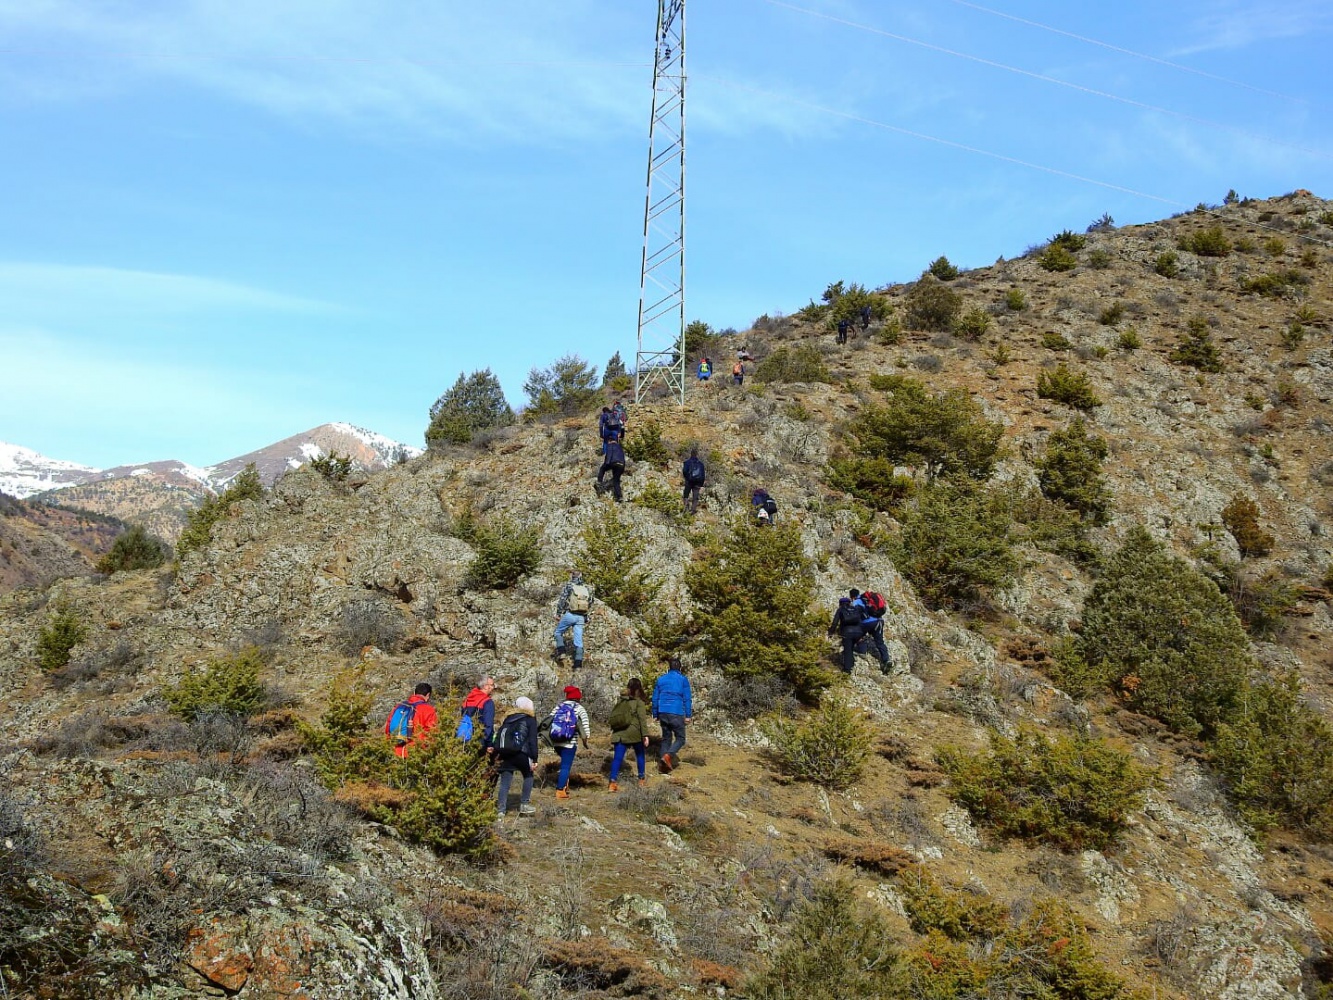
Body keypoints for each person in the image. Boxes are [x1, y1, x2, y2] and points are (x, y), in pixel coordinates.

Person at [495, 696, 539, 817]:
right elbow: (532, 740)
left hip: (505, 753)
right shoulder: (530, 719)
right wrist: (535, 758)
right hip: (521, 753)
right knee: (528, 775)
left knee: (505, 782)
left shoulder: (508, 718)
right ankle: (524, 804)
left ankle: (501, 810)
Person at [607, 678, 651, 791]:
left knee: (617, 758)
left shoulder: (620, 701)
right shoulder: (639, 702)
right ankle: (641, 779)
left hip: (619, 733)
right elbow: (642, 720)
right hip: (634, 733)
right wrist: (645, 735)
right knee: (640, 755)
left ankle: (612, 782)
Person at [550, 685, 592, 799]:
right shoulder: (579, 709)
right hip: (569, 743)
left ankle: (564, 785)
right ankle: (560, 790)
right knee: (565, 766)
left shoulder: (559, 707)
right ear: (578, 697)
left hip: (556, 742)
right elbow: (585, 727)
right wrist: (586, 740)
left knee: (563, 765)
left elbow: (549, 720)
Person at [652, 657, 692, 772]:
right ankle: (668, 756)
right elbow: (687, 699)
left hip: (663, 711)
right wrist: (688, 715)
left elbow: (655, 698)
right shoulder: (683, 680)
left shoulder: (661, 679)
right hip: (676, 712)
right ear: (680, 667)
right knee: (680, 738)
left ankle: (662, 766)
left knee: (666, 739)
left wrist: (655, 713)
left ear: (669, 667)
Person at [384, 682, 438, 757]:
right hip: (414, 752)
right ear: (428, 695)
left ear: (414, 692)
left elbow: (388, 728)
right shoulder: (428, 709)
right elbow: (431, 733)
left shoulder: (399, 706)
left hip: (394, 751)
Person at [553, 571, 594, 670]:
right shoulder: (586, 588)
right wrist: (586, 616)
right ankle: (578, 666)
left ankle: (562, 652)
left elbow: (562, 600)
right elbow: (590, 602)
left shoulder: (569, 585)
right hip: (581, 617)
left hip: (570, 615)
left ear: (572, 576)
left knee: (558, 633)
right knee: (578, 642)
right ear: (581, 576)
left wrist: (558, 613)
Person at [850, 589, 892, 673]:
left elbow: (854, 617)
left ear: (852, 596)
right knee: (880, 642)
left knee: (858, 634)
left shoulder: (856, 602)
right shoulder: (867, 599)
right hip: (879, 621)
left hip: (867, 623)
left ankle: (862, 651)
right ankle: (886, 660)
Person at [828, 596, 867, 675]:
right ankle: (861, 654)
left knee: (848, 650)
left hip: (847, 632)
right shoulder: (855, 609)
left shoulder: (841, 610)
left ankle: (847, 670)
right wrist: (862, 633)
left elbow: (835, 622)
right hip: (858, 631)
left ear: (840, 604)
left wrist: (831, 632)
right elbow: (861, 621)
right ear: (849, 603)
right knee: (852, 647)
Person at [457, 675, 497, 748]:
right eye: (492, 685)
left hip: (465, 739)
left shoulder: (468, 699)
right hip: (479, 742)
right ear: (485, 686)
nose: (493, 687)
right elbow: (488, 725)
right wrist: (489, 744)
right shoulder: (487, 702)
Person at [597, 432, 626, 502]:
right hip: (621, 465)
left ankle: (599, 482)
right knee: (616, 481)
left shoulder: (610, 445)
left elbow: (609, 455)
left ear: (609, 441)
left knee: (602, 468)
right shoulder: (619, 447)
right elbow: (623, 458)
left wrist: (606, 464)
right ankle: (619, 496)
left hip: (613, 463)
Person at [682, 446, 706, 515]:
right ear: (697, 455)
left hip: (689, 481)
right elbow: (703, 475)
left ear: (691, 454)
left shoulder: (687, 462)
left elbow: (685, 471)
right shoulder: (701, 464)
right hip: (697, 482)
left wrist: (687, 478)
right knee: (695, 497)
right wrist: (701, 484)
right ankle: (693, 510)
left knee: (686, 494)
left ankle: (686, 507)